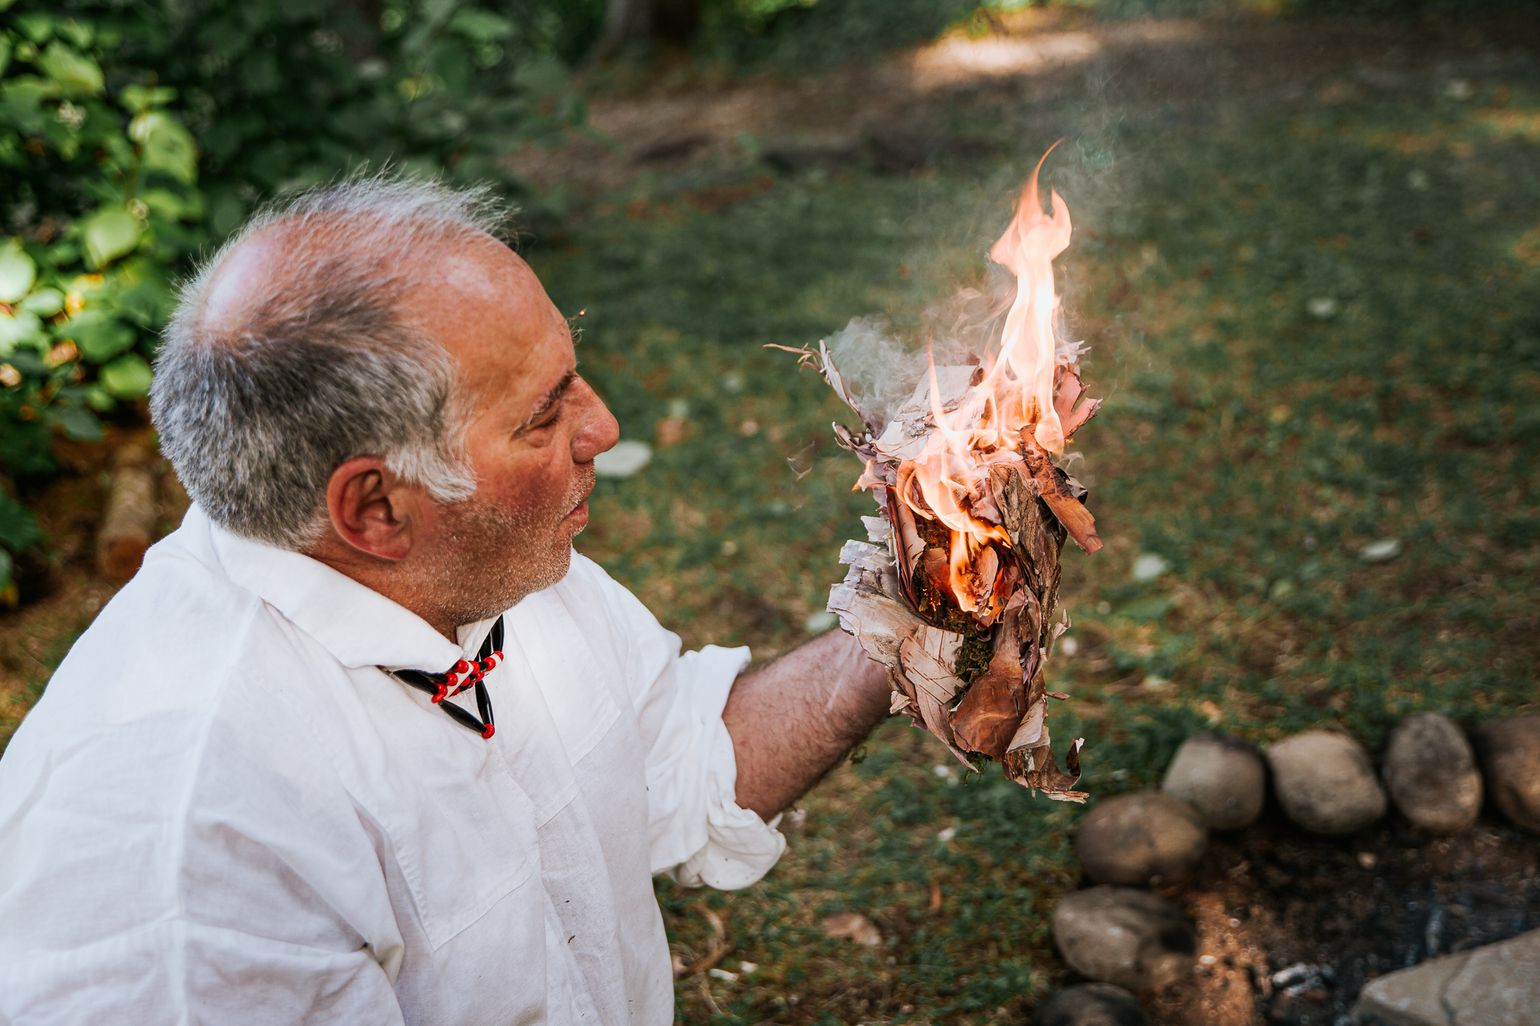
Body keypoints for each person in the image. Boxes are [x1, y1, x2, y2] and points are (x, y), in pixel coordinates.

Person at [0, 177, 893, 1024]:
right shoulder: (194, 853)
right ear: (377, 509)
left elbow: (674, 760)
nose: (603, 428)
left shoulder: (476, 560)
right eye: (544, 417)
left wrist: (904, 630)